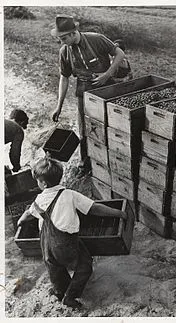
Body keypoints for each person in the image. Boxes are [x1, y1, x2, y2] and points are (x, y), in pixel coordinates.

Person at [17, 156, 127, 310]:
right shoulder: (69, 194)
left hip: (46, 245)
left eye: (37, 181)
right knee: (84, 266)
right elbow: (94, 208)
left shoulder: (38, 200)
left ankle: (60, 291)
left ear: (43, 183)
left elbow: (28, 214)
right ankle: (70, 296)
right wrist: (118, 213)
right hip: (65, 243)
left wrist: (20, 221)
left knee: (55, 269)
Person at [51, 15, 126, 178]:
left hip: (106, 87)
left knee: (112, 125)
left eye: (64, 38)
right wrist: (59, 106)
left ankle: (115, 160)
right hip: (84, 90)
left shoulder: (96, 39)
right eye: (60, 39)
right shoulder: (64, 51)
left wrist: (107, 74)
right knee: (84, 129)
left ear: (73, 33)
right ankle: (85, 164)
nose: (62, 42)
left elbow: (119, 54)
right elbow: (64, 78)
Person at [4, 109, 29, 173]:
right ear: (22, 122)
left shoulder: (5, 122)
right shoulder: (18, 130)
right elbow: (15, 153)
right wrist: (17, 168)